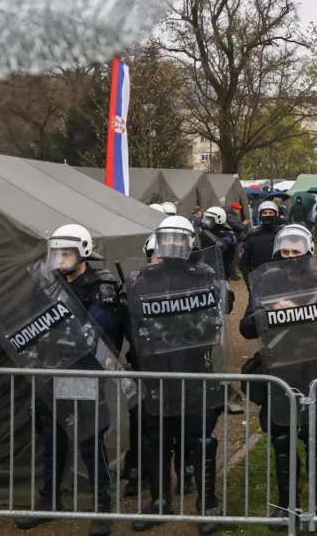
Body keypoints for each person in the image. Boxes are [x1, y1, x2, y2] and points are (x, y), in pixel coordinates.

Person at [241, 225, 317, 531]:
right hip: (281, 370)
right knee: (282, 439)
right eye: (285, 251)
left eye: (296, 251)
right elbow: (246, 327)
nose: (290, 257)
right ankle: (286, 506)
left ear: (308, 251)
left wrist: (303, 309)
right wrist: (268, 311)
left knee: (316, 438)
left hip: (316, 368)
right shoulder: (266, 283)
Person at [16, 224, 124, 536]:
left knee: (89, 440)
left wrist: (57, 335)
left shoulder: (101, 285)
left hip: (83, 371)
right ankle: (49, 499)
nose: (60, 259)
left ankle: (102, 505)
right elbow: (34, 322)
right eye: (57, 253)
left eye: (67, 253)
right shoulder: (46, 284)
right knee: (51, 438)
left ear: (83, 252)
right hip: (52, 370)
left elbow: (98, 328)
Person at [123, 216, 229, 534]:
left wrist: (184, 327)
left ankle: (208, 503)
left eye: (177, 239)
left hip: (194, 369)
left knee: (200, 438)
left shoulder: (204, 275)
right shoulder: (142, 280)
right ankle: (159, 501)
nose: (171, 246)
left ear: (189, 243)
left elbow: (214, 321)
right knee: (157, 438)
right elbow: (134, 322)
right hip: (157, 371)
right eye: (166, 239)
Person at [121, 234, 157, 498]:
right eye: (154, 254)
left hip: (175, 363)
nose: (159, 258)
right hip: (142, 362)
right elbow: (125, 324)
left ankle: (186, 467)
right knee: (140, 419)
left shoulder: (184, 281)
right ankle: (138, 470)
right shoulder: (135, 284)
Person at [238, 201, 286, 287]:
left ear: (276, 215)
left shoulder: (282, 234)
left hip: (282, 280)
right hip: (260, 281)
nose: (268, 215)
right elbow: (244, 263)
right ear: (260, 215)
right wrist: (250, 282)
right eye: (265, 213)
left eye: (271, 213)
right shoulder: (253, 236)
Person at [201, 207, 238, 279]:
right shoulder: (209, 231)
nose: (207, 221)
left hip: (222, 271)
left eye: (210, 219)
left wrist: (207, 233)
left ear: (219, 219)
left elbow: (221, 246)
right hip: (208, 268)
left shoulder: (226, 233)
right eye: (207, 218)